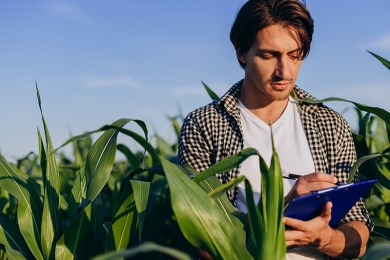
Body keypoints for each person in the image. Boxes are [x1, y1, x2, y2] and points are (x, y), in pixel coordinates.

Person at [177, 0, 373, 259]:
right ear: (241, 52)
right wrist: (281, 206)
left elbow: (357, 230)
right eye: (269, 55)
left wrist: (325, 239)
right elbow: (203, 238)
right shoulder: (204, 125)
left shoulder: (329, 124)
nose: (284, 71)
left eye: (294, 55)